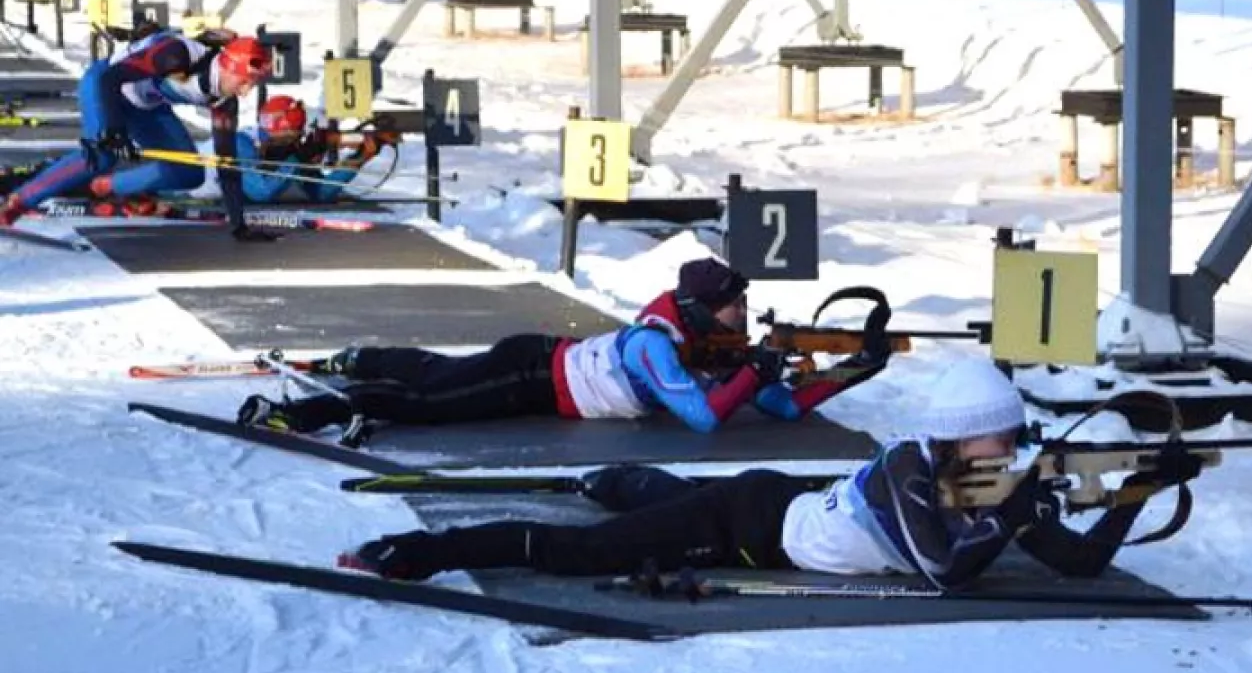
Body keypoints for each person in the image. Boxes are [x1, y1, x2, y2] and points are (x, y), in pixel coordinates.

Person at [337, 358, 1158, 590]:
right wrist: (1016, 508)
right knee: (586, 555)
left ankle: (609, 481)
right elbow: (948, 568)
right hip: (750, 525)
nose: (1013, 452)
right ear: (962, 439)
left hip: (781, 505)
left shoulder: (978, 481)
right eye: (1004, 440)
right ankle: (415, 555)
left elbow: (1080, 563)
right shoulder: (910, 468)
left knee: (654, 498)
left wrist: (1136, 491)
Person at [237, 257, 885, 437]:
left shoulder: (710, 346)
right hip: (534, 375)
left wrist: (858, 367)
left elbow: (784, 409)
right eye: (732, 306)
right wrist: (755, 371)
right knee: (428, 402)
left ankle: (365, 356)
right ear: (698, 310)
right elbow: (703, 420)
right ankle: (302, 412)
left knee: (441, 371)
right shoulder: (656, 348)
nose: (742, 316)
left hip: (547, 361)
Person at [0, 25, 276, 239]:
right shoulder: (178, 55)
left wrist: (239, 225)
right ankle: (16, 204)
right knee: (103, 155)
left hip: (146, 105)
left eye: (252, 84)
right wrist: (115, 130)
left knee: (189, 172)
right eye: (245, 81)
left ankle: (102, 186)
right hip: (105, 86)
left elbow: (226, 164)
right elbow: (110, 79)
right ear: (228, 65)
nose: (245, 91)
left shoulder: (225, 102)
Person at [236, 95, 383, 205]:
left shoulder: (287, 151)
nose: (294, 142)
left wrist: (360, 157)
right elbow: (261, 192)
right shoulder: (241, 142)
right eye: (290, 137)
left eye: (297, 136)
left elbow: (320, 193)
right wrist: (297, 159)